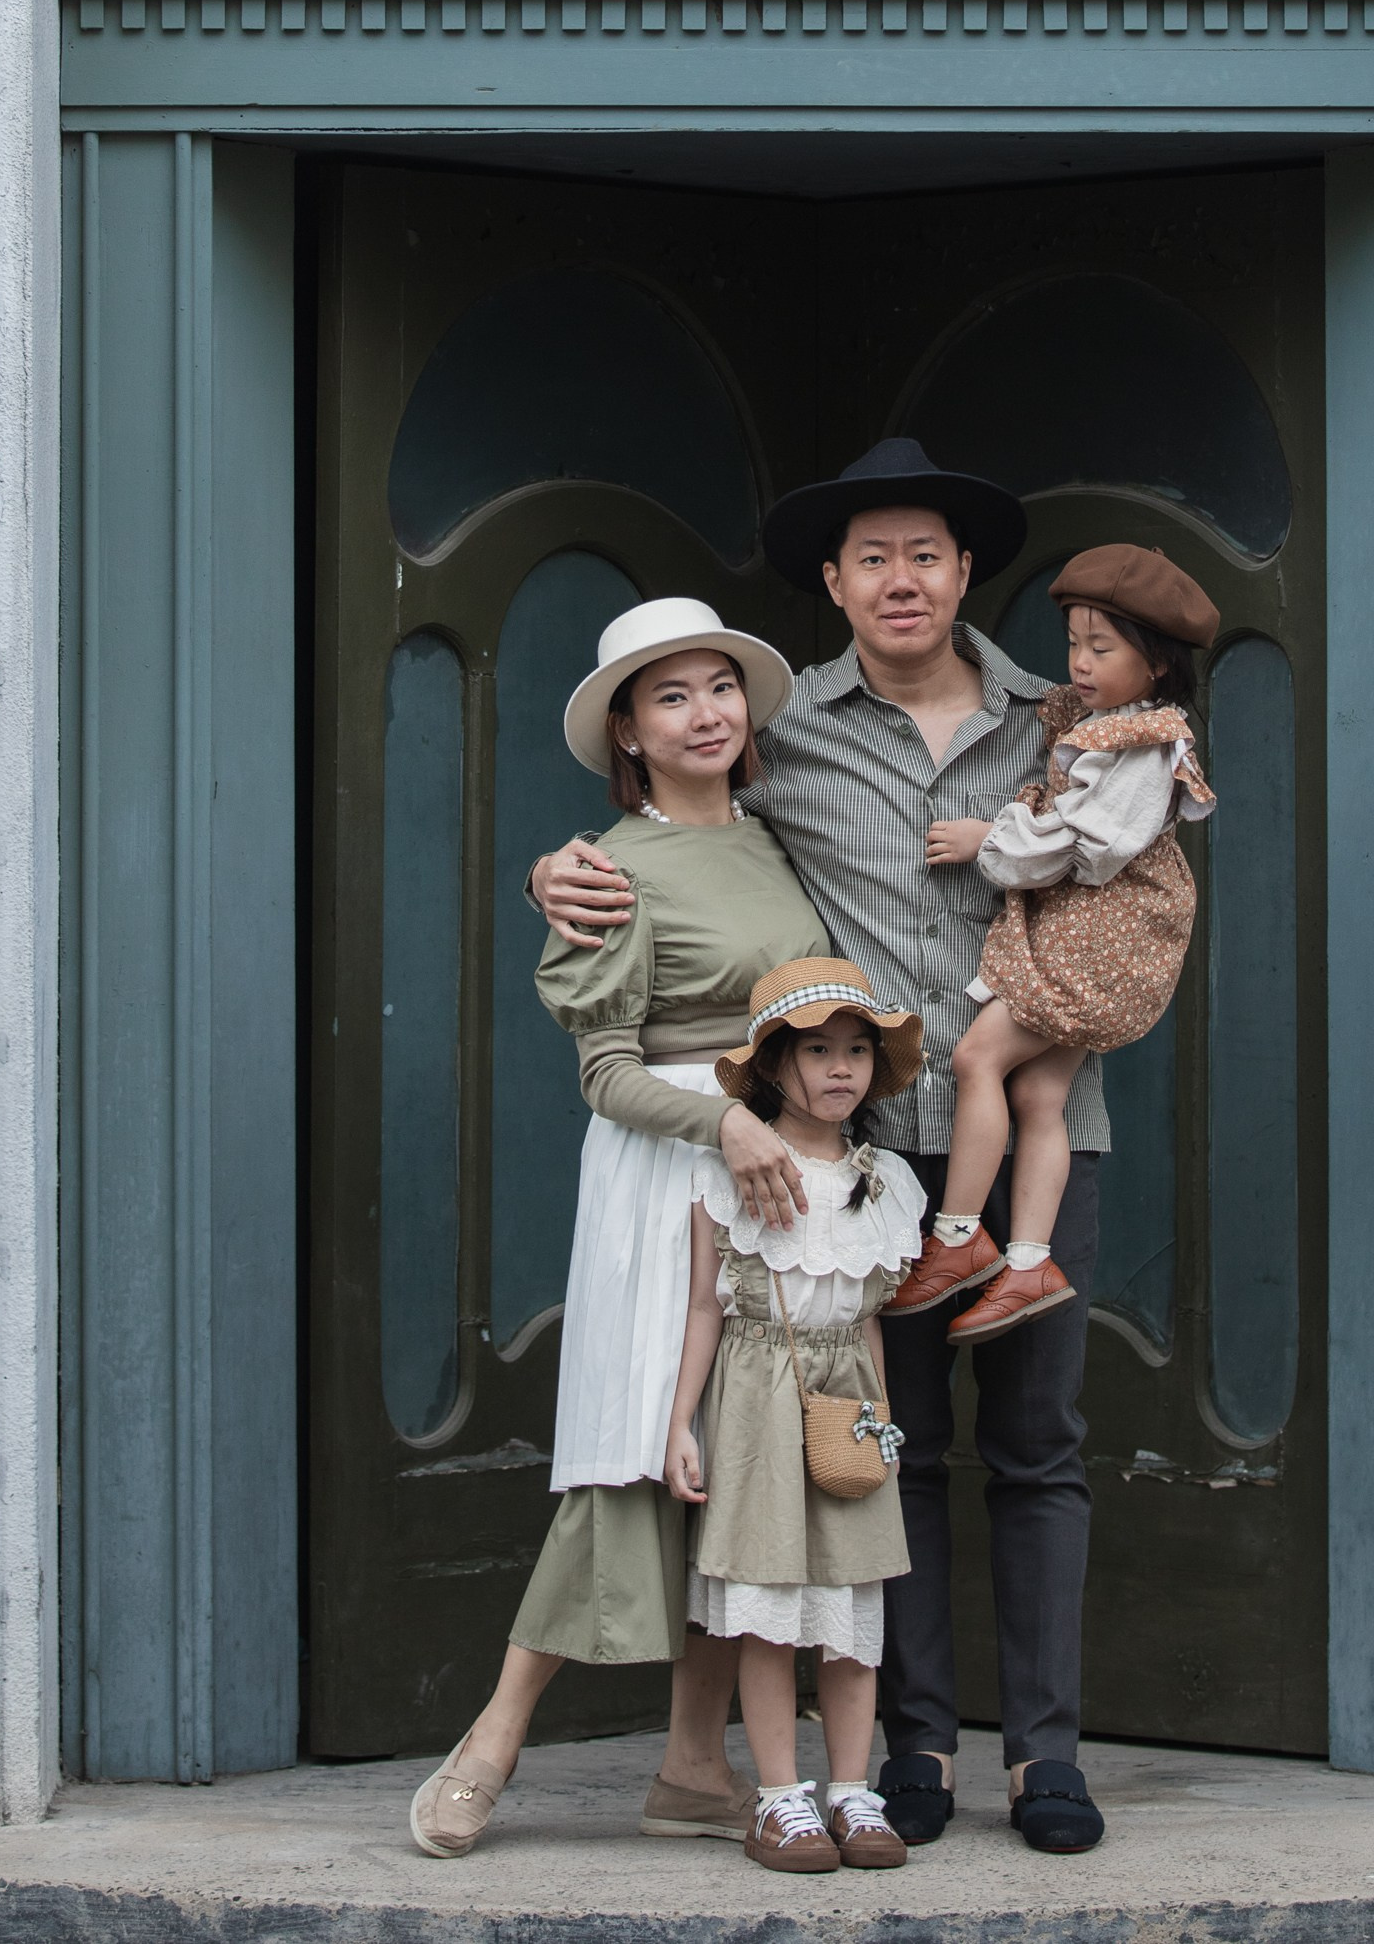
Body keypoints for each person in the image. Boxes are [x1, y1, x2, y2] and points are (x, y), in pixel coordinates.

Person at [530, 436, 1109, 1857]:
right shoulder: (781, 738)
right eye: (872, 559)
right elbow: (688, 827)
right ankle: (903, 1748)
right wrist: (566, 865)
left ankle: (1042, 1756)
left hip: (1031, 1141)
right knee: (878, 1450)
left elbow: (1144, 868)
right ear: (836, 590)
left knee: (1038, 1447)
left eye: (926, 554)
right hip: (853, 1163)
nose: (901, 580)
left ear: (966, 574)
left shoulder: (1063, 724)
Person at [411, 596, 825, 1860]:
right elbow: (603, 1070)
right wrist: (729, 1129)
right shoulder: (609, 868)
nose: (705, 713)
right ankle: (490, 1740)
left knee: (735, 1460)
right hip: (669, 1176)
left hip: (777, 1176)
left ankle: (696, 1766)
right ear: (629, 736)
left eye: (719, 688)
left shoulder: (771, 840)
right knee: (634, 1452)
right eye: (671, 697)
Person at [890, 544, 1218, 1342]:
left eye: (1101, 648)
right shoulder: (1104, 725)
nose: (1079, 662)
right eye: (1075, 643)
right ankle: (1031, 1259)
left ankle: (959, 1238)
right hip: (1084, 937)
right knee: (1041, 1096)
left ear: (1159, 664)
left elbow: (1088, 845)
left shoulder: (1143, 744)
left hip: (1096, 946)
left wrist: (988, 838)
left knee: (976, 1060)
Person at [665, 960, 927, 1873]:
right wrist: (678, 1427)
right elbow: (706, 1306)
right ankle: (782, 1799)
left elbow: (870, 1322)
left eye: (857, 1051)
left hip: (845, 1399)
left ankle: (853, 1789)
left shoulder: (887, 1180)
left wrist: (878, 1422)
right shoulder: (723, 1172)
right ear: (774, 1066)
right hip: (751, 1401)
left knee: (852, 1602)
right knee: (768, 1606)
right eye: (818, 1050)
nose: (842, 1068)